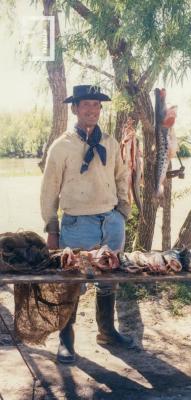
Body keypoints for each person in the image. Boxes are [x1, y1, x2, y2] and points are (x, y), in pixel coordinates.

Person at [40, 84, 133, 364]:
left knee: (109, 279)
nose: (92, 110)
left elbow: (121, 175)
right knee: (72, 282)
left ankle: (107, 332)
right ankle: (66, 341)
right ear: (75, 109)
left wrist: (122, 213)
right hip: (78, 222)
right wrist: (52, 228)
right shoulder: (62, 146)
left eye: (96, 105)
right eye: (86, 105)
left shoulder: (110, 142)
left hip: (111, 221)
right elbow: (48, 191)